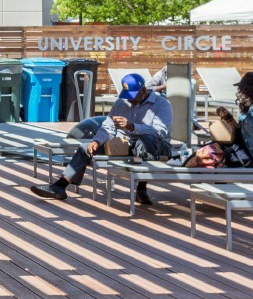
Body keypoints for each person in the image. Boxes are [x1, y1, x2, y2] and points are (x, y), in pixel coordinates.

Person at [31, 71, 173, 205]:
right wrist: (96, 141)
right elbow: (108, 127)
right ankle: (60, 186)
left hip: (155, 145)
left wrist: (132, 127)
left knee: (145, 142)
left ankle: (142, 187)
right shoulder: (122, 102)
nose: (129, 99)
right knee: (85, 148)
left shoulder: (161, 104)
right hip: (125, 143)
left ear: (143, 91)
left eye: (133, 95)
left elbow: (160, 131)